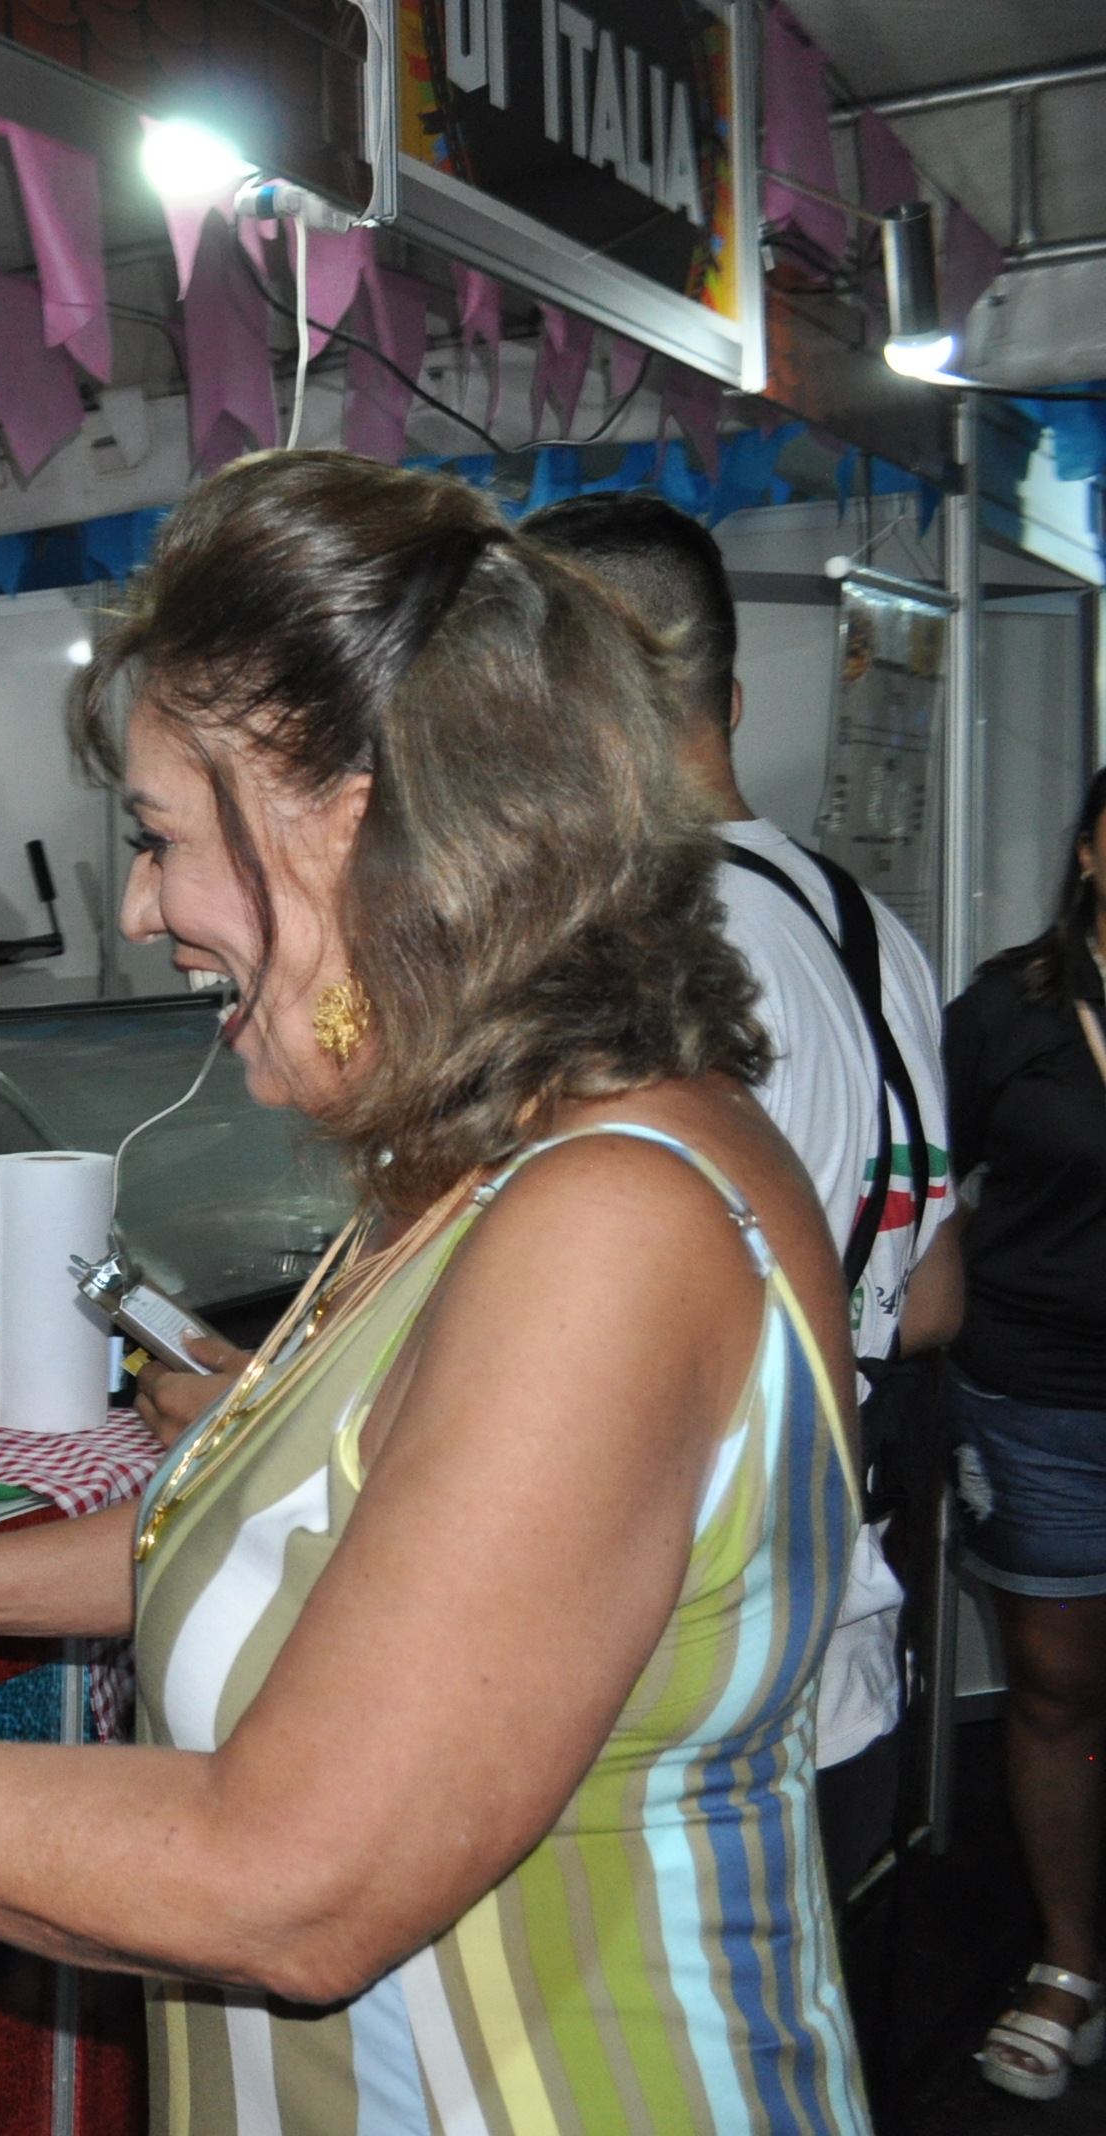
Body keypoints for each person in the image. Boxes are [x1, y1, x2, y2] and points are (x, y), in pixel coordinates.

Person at [0, 453, 870, 2131]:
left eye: (163, 837)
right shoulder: (475, 1173)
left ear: (361, 825)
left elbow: (293, 1878)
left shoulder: (606, 1223)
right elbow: (306, 1543)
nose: (138, 907)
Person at [521, 490, 950, 1889]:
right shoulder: (864, 923)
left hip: (693, 1693)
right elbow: (929, 1291)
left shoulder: (657, 949)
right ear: (730, 693)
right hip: (843, 1652)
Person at [940, 766, 1106, 2100]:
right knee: (1053, 1685)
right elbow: (921, 1181)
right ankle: (1067, 1961)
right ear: (1093, 851)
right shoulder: (1011, 1009)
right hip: (1037, 1399)